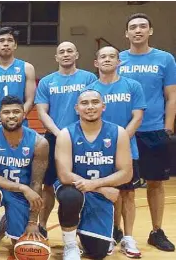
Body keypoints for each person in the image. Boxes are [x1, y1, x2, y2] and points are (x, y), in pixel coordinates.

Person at [118, 12, 176, 252]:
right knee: (124, 187)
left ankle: (156, 231)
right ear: (127, 33)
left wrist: (168, 127)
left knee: (155, 183)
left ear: (150, 31)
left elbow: (171, 95)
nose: (138, 30)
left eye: (143, 26)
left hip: (154, 130)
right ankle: (119, 233)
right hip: (125, 132)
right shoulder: (118, 59)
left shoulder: (165, 59)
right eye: (133, 27)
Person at [54, 89, 132, 260]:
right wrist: (101, 189)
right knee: (69, 196)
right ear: (76, 108)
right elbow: (64, 175)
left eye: (95, 102)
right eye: (84, 103)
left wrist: (95, 185)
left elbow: (126, 173)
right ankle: (70, 245)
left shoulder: (119, 133)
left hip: (98, 193)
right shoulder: (66, 134)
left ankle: (82, 227)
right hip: (75, 188)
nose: (90, 107)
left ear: (103, 107)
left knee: (98, 252)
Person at [34, 42, 98, 240]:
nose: (66, 54)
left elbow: (93, 105)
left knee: (83, 184)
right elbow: (42, 111)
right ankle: (42, 225)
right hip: (55, 138)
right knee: (48, 186)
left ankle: (85, 229)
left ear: (77, 54)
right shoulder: (47, 81)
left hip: (84, 139)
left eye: (70, 50)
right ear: (56, 57)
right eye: (61, 51)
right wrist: (59, 133)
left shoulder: (89, 78)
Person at [87, 46, 146, 257]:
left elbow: (137, 117)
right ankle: (111, 234)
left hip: (127, 149)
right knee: (108, 195)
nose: (107, 59)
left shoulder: (133, 86)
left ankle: (128, 238)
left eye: (112, 56)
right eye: (102, 56)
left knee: (128, 194)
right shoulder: (90, 89)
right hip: (99, 152)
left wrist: (120, 141)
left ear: (119, 62)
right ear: (96, 63)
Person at [0, 96, 49, 260]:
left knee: (21, 245)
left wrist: (32, 222)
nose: (11, 116)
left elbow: (36, 183)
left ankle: (5, 223)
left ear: (24, 115)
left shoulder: (39, 142)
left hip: (21, 194)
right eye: (6, 112)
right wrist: (22, 188)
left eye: (16, 112)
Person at [0, 27, 36, 126]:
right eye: (1, 41)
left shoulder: (27, 68)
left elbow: (30, 100)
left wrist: (17, 118)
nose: (6, 44)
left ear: (15, 45)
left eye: (10, 40)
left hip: (19, 124)